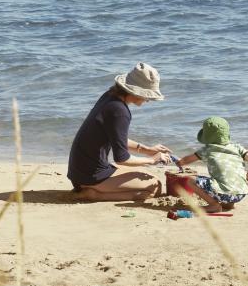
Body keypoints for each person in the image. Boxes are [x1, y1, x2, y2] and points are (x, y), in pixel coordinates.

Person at [67, 62, 171, 201]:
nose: (148, 100)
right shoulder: (120, 112)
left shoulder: (110, 97)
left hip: (79, 172)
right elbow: (122, 159)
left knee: (144, 173)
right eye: (148, 96)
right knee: (155, 186)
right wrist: (152, 160)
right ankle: (93, 194)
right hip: (91, 176)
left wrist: (147, 149)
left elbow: (115, 138)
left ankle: (92, 189)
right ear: (136, 91)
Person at [174, 116, 248, 213]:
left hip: (225, 193)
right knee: (228, 180)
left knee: (190, 180)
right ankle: (229, 204)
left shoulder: (208, 149)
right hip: (241, 193)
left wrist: (180, 162)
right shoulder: (237, 147)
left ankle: (214, 205)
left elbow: (187, 160)